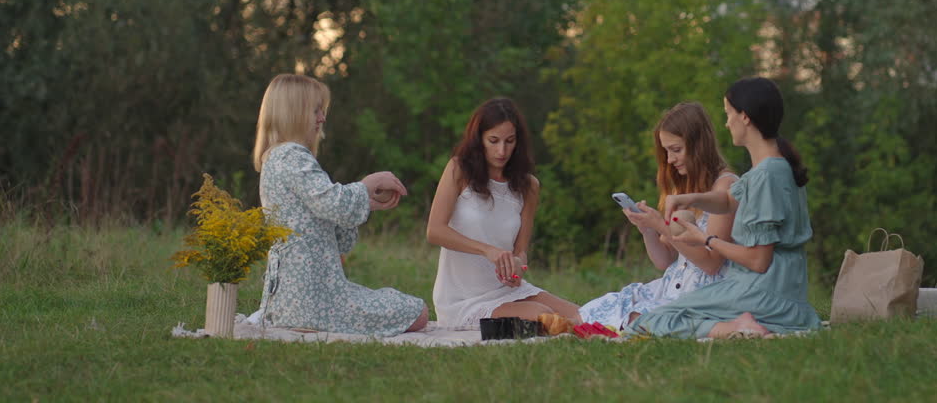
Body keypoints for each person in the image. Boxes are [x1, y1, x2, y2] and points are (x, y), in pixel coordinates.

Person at [628, 77, 822, 339]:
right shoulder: (770, 168)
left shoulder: (766, 176)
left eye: (729, 114)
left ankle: (736, 326)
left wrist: (705, 239)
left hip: (763, 293)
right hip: (778, 290)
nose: (726, 123)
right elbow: (729, 201)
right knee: (660, 314)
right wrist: (691, 199)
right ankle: (734, 323)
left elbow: (758, 260)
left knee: (649, 321)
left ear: (745, 117)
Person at [252, 73, 428, 335]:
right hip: (313, 299)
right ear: (293, 113)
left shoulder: (278, 158)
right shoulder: (292, 157)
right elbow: (335, 204)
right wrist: (366, 185)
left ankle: (296, 318)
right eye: (316, 111)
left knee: (404, 306)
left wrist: (366, 202)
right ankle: (307, 322)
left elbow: (338, 236)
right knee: (417, 311)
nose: (322, 118)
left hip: (301, 296)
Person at [578, 102, 738, 330]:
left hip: (705, 293)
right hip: (672, 287)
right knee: (603, 307)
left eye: (676, 150)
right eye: (666, 151)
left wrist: (661, 225)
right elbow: (664, 260)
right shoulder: (683, 188)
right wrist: (648, 229)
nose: (670, 159)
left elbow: (712, 264)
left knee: (634, 319)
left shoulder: (725, 187)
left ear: (699, 145)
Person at [427, 97, 580, 326]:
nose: (502, 150)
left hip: (508, 291)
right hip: (463, 299)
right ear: (479, 139)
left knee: (583, 314)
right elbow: (434, 231)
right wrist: (487, 250)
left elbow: (521, 251)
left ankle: (615, 329)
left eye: (509, 141)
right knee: (543, 314)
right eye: (493, 141)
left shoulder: (529, 186)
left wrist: (518, 266)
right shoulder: (459, 170)